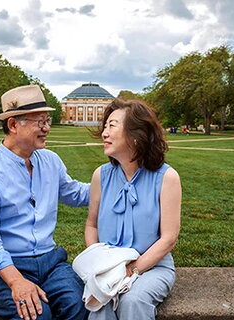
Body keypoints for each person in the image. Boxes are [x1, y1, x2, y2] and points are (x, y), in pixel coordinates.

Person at [0, 85, 90, 320]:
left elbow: (75, 194)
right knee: (37, 316)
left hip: (50, 261)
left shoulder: (51, 160)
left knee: (80, 306)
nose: (46, 129)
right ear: (13, 125)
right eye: (39, 122)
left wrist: (114, 183)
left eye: (48, 121)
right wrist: (16, 281)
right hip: (4, 268)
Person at [84, 98, 181, 320]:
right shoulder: (101, 175)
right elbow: (91, 224)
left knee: (133, 300)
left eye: (112, 125)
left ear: (136, 135)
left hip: (152, 267)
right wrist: (99, 263)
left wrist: (131, 270)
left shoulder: (167, 177)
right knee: (100, 303)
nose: (104, 133)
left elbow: (169, 239)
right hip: (108, 268)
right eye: (105, 126)